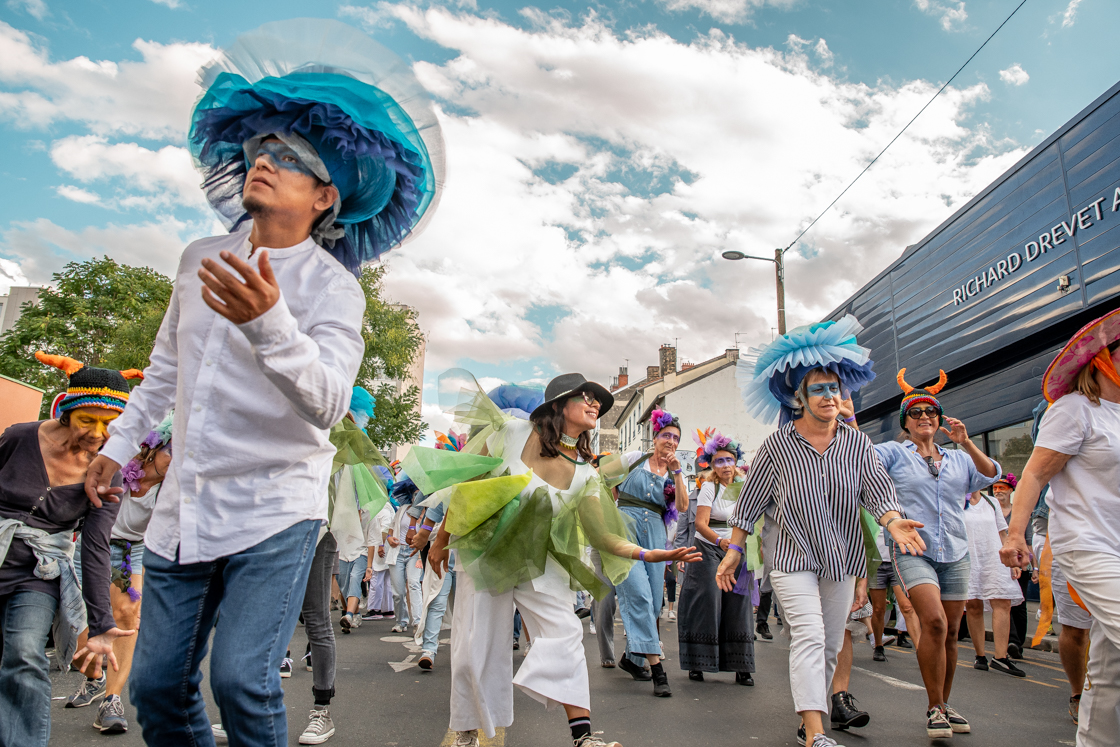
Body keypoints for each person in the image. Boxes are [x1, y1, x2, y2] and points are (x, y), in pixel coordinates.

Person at [83, 20, 443, 747]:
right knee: (156, 686)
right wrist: (118, 444)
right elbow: (163, 372)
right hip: (185, 506)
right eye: (258, 150)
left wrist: (270, 320)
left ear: (325, 197)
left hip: (276, 508)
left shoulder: (336, 291)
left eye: (288, 156)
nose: (263, 161)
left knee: (243, 682)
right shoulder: (198, 258)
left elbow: (330, 403)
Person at [421, 370, 700, 747]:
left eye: (597, 400)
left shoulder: (586, 473)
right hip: (487, 552)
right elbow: (469, 487)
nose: (595, 403)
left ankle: (583, 738)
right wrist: (440, 539)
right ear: (558, 403)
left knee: (565, 634)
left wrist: (649, 553)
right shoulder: (511, 432)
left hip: (543, 559)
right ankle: (468, 732)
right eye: (585, 396)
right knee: (476, 648)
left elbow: (603, 535)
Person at [724, 316, 924, 747]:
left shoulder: (857, 445)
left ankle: (808, 720)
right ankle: (815, 732)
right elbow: (751, 503)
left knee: (832, 643)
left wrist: (893, 520)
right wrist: (734, 551)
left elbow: (878, 492)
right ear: (800, 397)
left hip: (842, 557)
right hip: (792, 556)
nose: (830, 396)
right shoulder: (777, 446)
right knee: (810, 636)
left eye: (835, 388)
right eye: (819, 389)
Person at [0, 352, 139, 747]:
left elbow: (95, 548)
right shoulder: (19, 437)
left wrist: (100, 625)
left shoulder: (110, 473)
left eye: (110, 425)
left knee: (25, 653)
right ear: (66, 410)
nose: (98, 433)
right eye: (87, 421)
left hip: (39, 573)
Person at [1000, 306, 1120, 747]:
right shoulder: (1074, 410)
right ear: (1104, 358)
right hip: (1087, 548)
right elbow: (1033, 474)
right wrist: (1015, 534)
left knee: (1108, 670)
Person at [875, 368, 1000, 739]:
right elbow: (860, 460)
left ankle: (943, 705)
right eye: (916, 413)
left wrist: (967, 443)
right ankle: (933, 706)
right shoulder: (894, 453)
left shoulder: (958, 458)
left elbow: (991, 474)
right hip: (913, 550)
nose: (925, 418)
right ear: (905, 422)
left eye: (931, 412)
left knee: (950, 634)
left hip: (956, 552)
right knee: (934, 623)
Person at [68, 411, 174, 735]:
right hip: (92, 543)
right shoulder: (123, 461)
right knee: (80, 634)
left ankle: (111, 702)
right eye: (174, 451)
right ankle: (94, 677)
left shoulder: (172, 491)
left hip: (129, 552)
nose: (178, 460)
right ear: (155, 448)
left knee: (126, 614)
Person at [613, 408, 689, 697]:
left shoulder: (673, 474)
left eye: (675, 438)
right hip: (626, 529)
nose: (670, 441)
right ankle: (658, 669)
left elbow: (682, 507)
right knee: (639, 594)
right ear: (655, 437)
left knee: (654, 600)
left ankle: (631, 660)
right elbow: (604, 479)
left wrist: (679, 472)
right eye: (666, 435)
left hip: (656, 533)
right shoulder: (635, 460)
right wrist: (615, 513)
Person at [676, 431, 755, 686]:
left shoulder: (743, 487)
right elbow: (700, 524)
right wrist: (721, 541)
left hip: (738, 547)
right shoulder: (709, 486)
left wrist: (739, 546)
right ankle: (698, 662)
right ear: (712, 465)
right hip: (709, 546)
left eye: (729, 460)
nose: (725, 466)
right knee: (707, 598)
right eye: (719, 462)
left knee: (738, 602)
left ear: (735, 462)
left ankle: (741, 666)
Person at [962, 490, 1024, 677]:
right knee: (973, 604)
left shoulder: (991, 502)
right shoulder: (956, 499)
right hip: (968, 556)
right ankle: (980, 655)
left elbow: (1002, 533)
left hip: (993, 557)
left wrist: (1011, 558)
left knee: (1002, 601)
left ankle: (1000, 657)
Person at [867, 525, 920, 660]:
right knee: (879, 609)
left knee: (907, 607)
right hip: (875, 562)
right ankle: (878, 645)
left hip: (897, 560)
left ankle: (921, 650)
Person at [991, 474, 1030, 659]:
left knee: (1019, 604)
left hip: (1019, 561)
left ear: (1011, 490)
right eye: (995, 488)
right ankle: (1011, 641)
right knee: (1003, 602)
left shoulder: (1019, 513)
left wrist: (1033, 566)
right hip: (998, 562)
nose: (998, 491)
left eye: (1002, 488)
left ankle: (1018, 642)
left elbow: (1028, 538)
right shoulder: (990, 510)